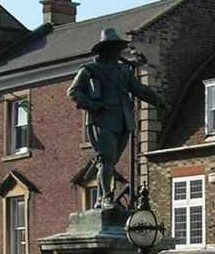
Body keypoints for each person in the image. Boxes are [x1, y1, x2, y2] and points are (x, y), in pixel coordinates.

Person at [67, 28, 166, 208]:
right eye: (114, 48)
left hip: (123, 120)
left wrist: (158, 101)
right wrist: (93, 105)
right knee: (107, 158)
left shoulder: (123, 71)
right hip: (102, 120)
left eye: (119, 49)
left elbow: (140, 89)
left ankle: (99, 199)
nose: (118, 52)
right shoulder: (91, 69)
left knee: (109, 162)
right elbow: (73, 92)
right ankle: (106, 197)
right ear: (105, 50)